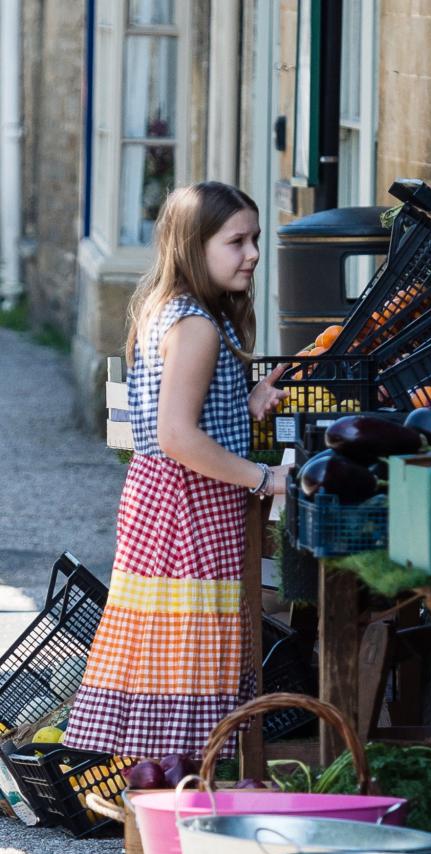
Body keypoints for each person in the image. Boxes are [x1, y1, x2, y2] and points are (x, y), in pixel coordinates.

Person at [63, 181, 290, 761]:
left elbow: (187, 416)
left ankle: (160, 802)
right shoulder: (198, 327)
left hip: (161, 500)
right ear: (194, 246)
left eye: (255, 239)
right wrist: (264, 480)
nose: (253, 254)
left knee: (163, 654)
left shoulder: (170, 311)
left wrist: (247, 401)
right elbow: (177, 436)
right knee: (189, 654)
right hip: (189, 507)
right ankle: (180, 807)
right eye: (237, 241)